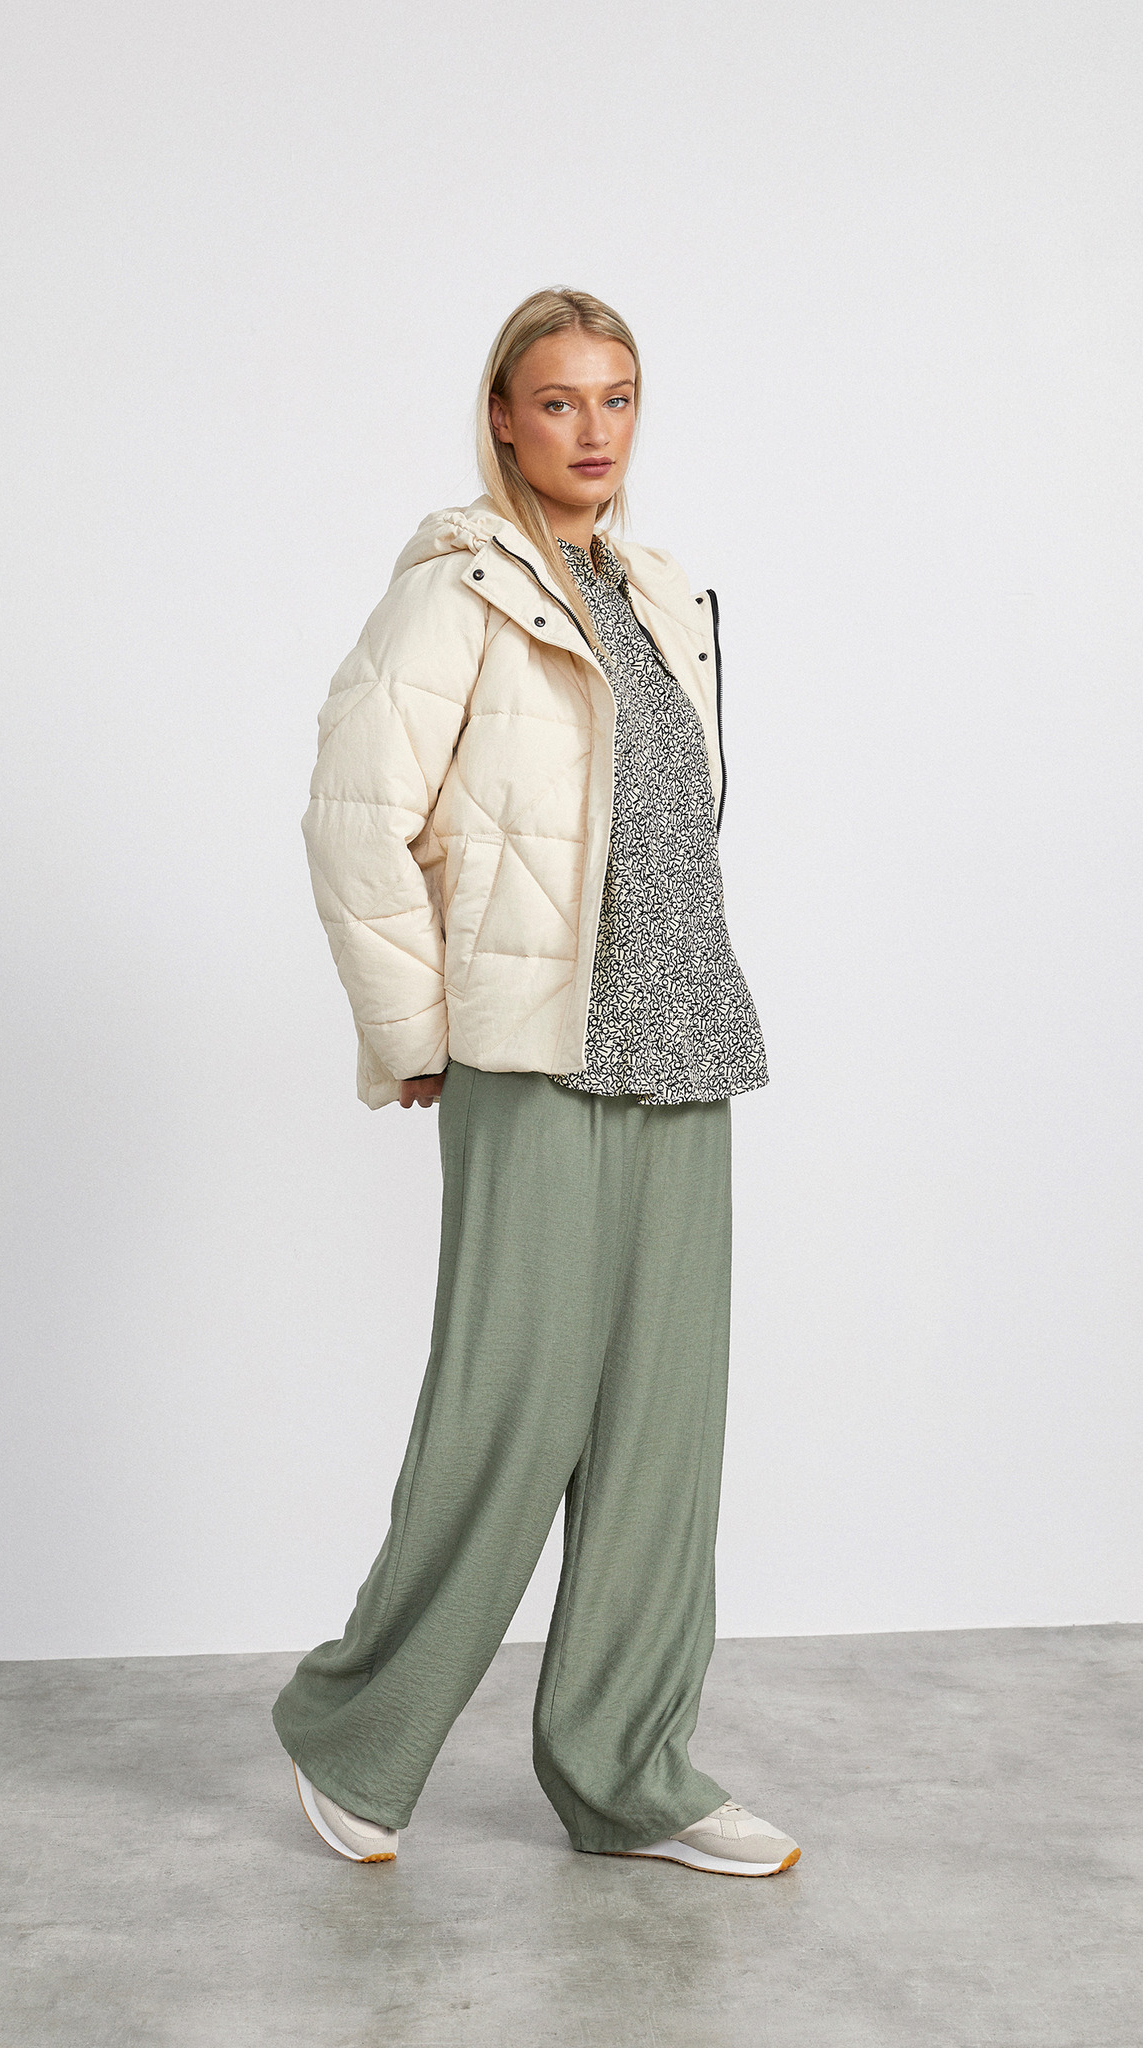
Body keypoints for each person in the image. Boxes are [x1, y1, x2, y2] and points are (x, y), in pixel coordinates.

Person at [272, 288, 798, 1879]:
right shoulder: (460, 587)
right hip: (536, 1046)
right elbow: (353, 816)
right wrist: (413, 1030)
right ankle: (359, 1735)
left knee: (659, 1439)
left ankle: (629, 1772)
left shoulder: (657, 592)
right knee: (508, 1411)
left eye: (617, 398)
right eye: (559, 400)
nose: (592, 430)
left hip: (684, 1034)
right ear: (503, 416)